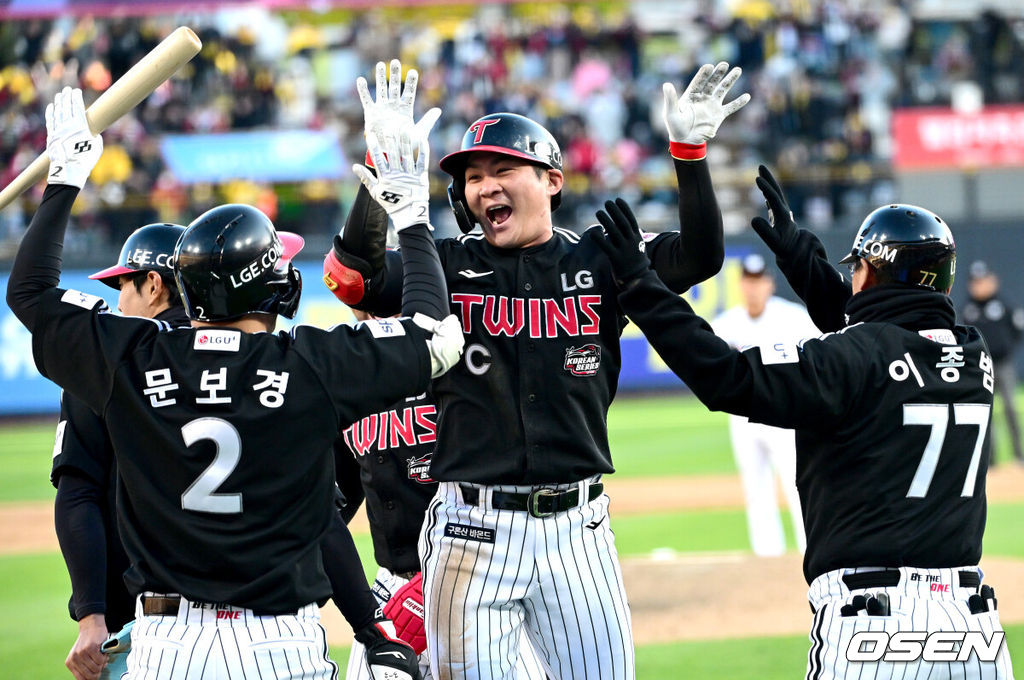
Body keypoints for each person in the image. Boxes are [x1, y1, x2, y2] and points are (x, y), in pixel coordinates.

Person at [7, 87, 464, 680]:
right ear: (273, 285)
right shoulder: (311, 362)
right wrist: (411, 216)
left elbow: (29, 293)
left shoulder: (128, 355)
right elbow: (436, 335)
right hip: (279, 644)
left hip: (166, 645)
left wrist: (65, 177)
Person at [325, 60, 748, 680]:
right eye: (473, 177)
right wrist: (380, 174)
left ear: (551, 179)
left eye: (503, 170)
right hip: (470, 527)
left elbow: (701, 253)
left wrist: (688, 152)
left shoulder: (603, 257)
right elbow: (351, 278)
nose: (485, 186)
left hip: (578, 528)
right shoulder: (442, 261)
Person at [589, 171, 1014, 679]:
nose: (855, 278)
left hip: (874, 625)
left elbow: (727, 377)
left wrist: (640, 285)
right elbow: (871, 325)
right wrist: (800, 256)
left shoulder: (857, 359)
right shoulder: (972, 352)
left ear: (877, 274)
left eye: (861, 269)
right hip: (975, 628)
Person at [335, 309, 548, 680]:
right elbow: (336, 501)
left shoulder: (466, 366)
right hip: (393, 592)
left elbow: (519, 485)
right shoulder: (350, 380)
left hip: (477, 577)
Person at [54, 222, 190, 680]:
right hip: (252, 622)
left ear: (153, 285)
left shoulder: (105, 362)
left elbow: (78, 492)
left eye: (122, 287)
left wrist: (91, 613)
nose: (118, 303)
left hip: (145, 622)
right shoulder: (253, 357)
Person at [710, 253, 816, 556]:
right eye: (748, 281)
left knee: (797, 487)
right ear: (740, 285)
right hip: (743, 418)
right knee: (756, 489)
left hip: (784, 415)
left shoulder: (794, 317)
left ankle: (810, 552)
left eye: (758, 281)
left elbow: (818, 358)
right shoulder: (725, 324)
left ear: (769, 284)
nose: (753, 287)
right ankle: (766, 557)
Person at [961, 261, 1024, 466]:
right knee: (985, 410)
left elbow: (1017, 329)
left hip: (1003, 364)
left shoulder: (1003, 305)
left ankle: (1018, 456)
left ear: (992, 281)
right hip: (981, 366)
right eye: (976, 282)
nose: (980, 286)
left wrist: (1006, 349)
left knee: (1010, 409)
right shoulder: (968, 309)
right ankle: (991, 461)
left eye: (983, 281)